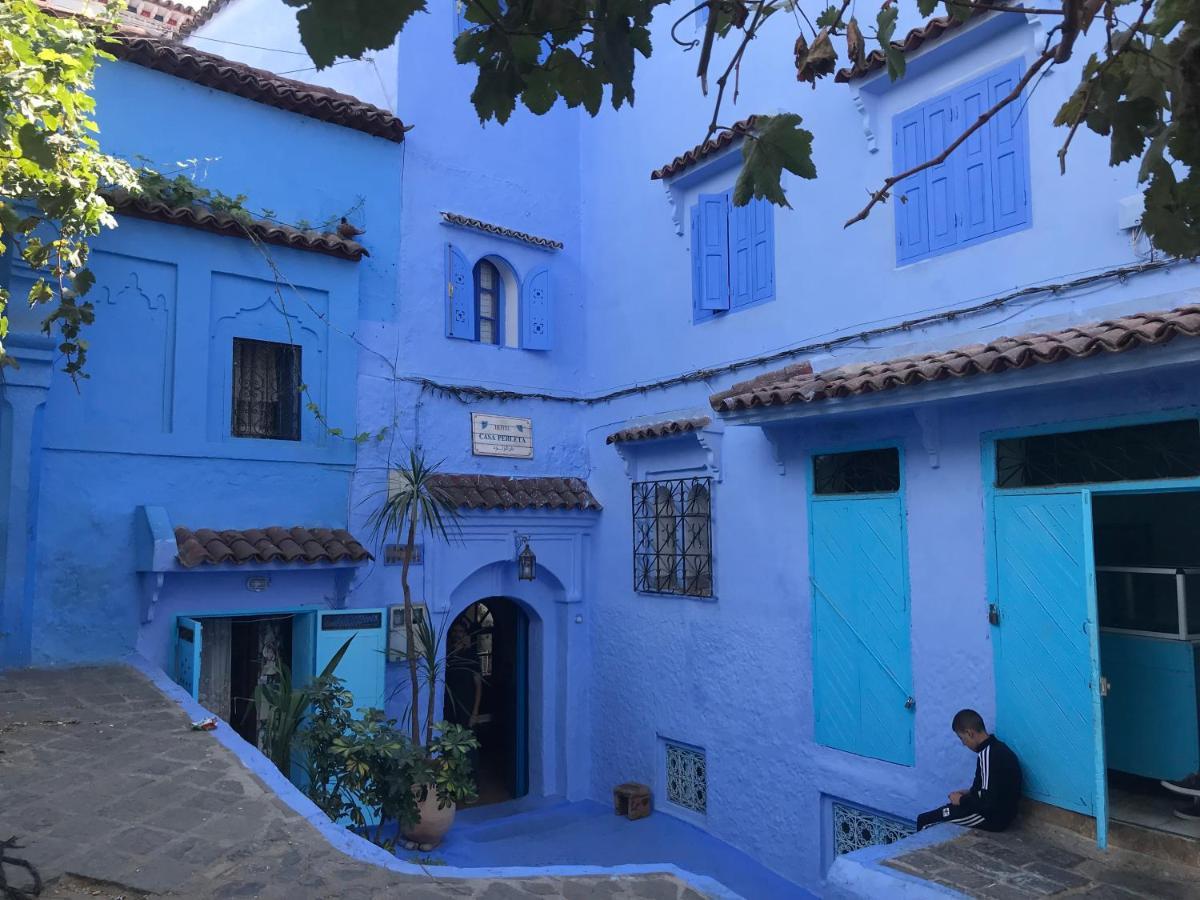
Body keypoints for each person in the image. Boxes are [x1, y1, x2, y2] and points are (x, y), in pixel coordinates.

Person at [917, 709, 1022, 832]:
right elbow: (991, 789)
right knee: (939, 813)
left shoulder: (988, 755)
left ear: (970, 733)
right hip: (999, 812)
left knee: (925, 821)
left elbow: (988, 804)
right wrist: (969, 793)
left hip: (992, 818)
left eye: (962, 738)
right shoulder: (997, 748)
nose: (963, 744)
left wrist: (961, 800)